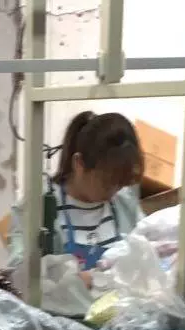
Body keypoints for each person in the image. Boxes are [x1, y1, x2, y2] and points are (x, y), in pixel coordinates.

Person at [45, 111, 144, 273]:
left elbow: (143, 252)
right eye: (106, 182)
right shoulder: (43, 207)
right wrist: (70, 280)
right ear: (79, 163)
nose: (113, 191)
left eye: (119, 183)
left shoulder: (125, 203)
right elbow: (23, 274)